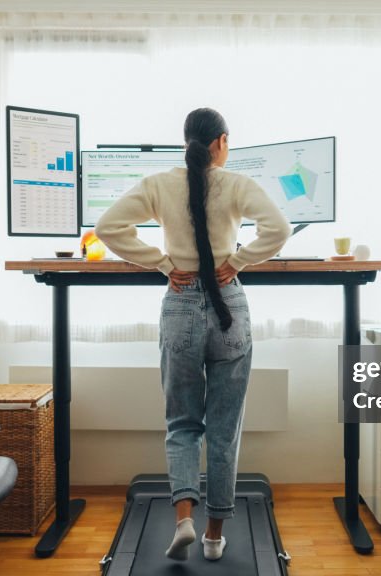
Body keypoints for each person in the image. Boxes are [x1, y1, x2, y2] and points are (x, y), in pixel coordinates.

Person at [95, 108, 290, 562]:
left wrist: (162, 263)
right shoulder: (238, 184)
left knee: (183, 425)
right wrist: (238, 261)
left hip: (180, 305)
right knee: (224, 431)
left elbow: (108, 227)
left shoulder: (159, 184)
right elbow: (277, 230)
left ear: (187, 143)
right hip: (229, 308)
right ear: (221, 142)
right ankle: (214, 537)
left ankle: (183, 518)